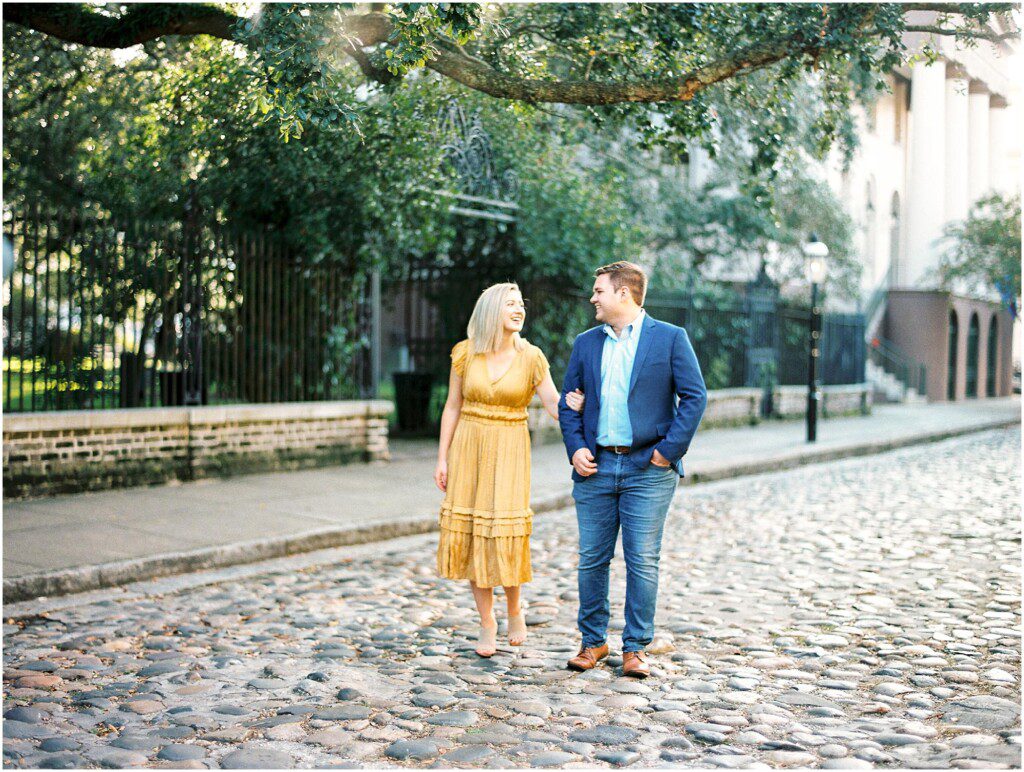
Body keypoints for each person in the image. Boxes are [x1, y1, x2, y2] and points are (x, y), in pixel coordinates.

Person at [558, 261, 707, 678]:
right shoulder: (586, 343)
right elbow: (568, 402)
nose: (593, 298)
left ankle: (636, 647)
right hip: (596, 468)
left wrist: (667, 452)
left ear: (623, 293)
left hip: (648, 468)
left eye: (599, 291)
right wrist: (576, 448)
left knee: (641, 559)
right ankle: (593, 642)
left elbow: (695, 397)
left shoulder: (670, 338)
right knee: (592, 559)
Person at [434, 282, 567, 657]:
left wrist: (581, 407)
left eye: (521, 303)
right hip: (469, 448)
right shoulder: (465, 354)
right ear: (492, 310)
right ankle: (487, 622)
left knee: (505, 532)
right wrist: (442, 458)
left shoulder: (532, 357)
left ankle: (514, 610)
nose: (519, 308)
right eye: (510, 303)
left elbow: (554, 405)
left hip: (510, 448)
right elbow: (452, 406)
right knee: (474, 533)